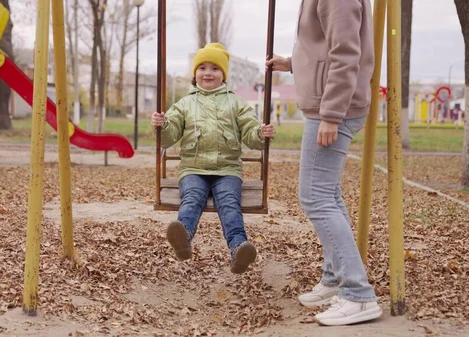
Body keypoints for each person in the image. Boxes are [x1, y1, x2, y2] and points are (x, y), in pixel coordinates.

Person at [266, 0, 382, 326]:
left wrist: (331, 114)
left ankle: (358, 295)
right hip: (328, 105)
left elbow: (345, 55)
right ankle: (334, 280)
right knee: (327, 194)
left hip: (332, 110)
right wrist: (293, 63)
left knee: (315, 197)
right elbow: (323, 46)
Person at [152, 42, 275, 274]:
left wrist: (260, 133)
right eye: (202, 68)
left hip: (227, 169)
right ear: (195, 73)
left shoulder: (236, 103)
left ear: (224, 75)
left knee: (229, 204)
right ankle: (183, 238)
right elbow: (169, 137)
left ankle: (239, 249)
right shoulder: (184, 104)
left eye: (215, 68)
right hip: (193, 168)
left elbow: (250, 133)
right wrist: (162, 125)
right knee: (191, 198)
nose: (208, 72)